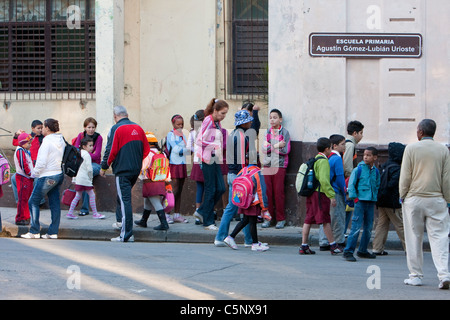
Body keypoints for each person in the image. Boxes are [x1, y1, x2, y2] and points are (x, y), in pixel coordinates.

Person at [399, 119, 450, 289]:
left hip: (414, 199)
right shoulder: (443, 150)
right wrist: (448, 200)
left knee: (414, 237)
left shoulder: (411, 149)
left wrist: (402, 195)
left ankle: (415, 275)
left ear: (420, 131)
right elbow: (447, 179)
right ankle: (444, 275)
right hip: (437, 199)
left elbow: (405, 176)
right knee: (440, 238)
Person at [100, 106, 150, 242]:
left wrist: (104, 167)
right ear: (127, 115)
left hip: (122, 170)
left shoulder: (116, 129)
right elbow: (146, 150)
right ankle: (121, 223)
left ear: (115, 116)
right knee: (122, 197)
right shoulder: (138, 128)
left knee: (125, 201)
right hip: (135, 169)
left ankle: (126, 234)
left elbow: (110, 151)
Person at [215, 110, 255, 247]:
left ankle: (225, 238)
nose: (251, 122)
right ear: (243, 123)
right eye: (249, 120)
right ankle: (245, 240)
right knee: (242, 207)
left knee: (236, 207)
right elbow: (242, 160)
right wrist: (246, 176)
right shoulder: (243, 137)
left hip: (232, 174)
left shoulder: (233, 134)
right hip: (239, 175)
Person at [21, 119, 65, 239]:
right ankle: (52, 232)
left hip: (46, 175)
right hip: (58, 174)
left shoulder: (47, 141)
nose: (43, 129)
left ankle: (34, 230)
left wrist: (34, 173)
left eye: (44, 127)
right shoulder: (61, 139)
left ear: (48, 128)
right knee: (55, 203)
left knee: (33, 201)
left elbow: (41, 162)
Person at [299, 137, 341, 255]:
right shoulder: (323, 161)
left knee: (308, 219)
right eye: (331, 148)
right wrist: (331, 195)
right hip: (320, 194)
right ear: (327, 149)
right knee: (325, 220)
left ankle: (304, 245)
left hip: (311, 194)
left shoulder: (315, 159)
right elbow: (324, 180)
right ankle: (333, 245)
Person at [194, 98, 228, 230]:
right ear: (215, 111)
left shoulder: (217, 122)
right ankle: (208, 222)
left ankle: (202, 211)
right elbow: (199, 140)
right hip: (207, 158)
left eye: (225, 113)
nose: (224, 116)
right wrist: (214, 145)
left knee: (221, 188)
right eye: (222, 113)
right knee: (211, 188)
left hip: (215, 158)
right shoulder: (208, 120)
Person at [343, 147, 380, 262]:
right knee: (356, 227)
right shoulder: (358, 169)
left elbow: (377, 185)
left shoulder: (376, 171)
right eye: (364, 155)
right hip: (360, 202)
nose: (365, 157)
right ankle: (348, 251)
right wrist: (355, 199)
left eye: (368, 155)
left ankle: (362, 250)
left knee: (368, 228)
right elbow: (352, 185)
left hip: (371, 202)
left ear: (375, 157)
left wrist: (375, 197)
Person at [223, 164, 270, 252]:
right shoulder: (257, 172)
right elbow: (261, 191)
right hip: (253, 202)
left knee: (245, 220)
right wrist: (264, 207)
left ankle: (231, 237)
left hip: (244, 200)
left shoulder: (243, 170)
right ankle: (255, 244)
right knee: (252, 222)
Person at [373, 142, 406, 255]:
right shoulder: (397, 168)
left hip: (381, 200)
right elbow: (395, 185)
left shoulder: (384, 165)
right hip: (392, 202)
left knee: (382, 224)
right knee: (401, 225)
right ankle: (410, 250)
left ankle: (377, 248)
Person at [134, 132, 171, 230]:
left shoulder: (147, 154)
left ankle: (164, 224)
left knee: (155, 202)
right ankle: (143, 221)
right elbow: (167, 167)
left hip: (149, 181)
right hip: (159, 181)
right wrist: (167, 180)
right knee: (147, 202)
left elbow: (143, 167)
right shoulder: (161, 153)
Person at [261, 109, 291, 229]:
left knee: (278, 192)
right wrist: (277, 145)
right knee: (267, 193)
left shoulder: (285, 133)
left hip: (279, 165)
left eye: (275, 117)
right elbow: (264, 149)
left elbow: (285, 151)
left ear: (280, 119)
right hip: (268, 165)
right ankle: (268, 218)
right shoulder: (267, 132)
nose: (272, 120)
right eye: (270, 117)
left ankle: (280, 219)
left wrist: (271, 147)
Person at [318, 134, 347, 250]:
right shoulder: (337, 158)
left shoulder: (325, 158)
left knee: (325, 217)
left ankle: (323, 241)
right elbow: (340, 177)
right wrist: (345, 190)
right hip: (335, 191)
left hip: (324, 191)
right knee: (338, 217)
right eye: (343, 144)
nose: (345, 147)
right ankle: (339, 240)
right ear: (334, 146)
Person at [66, 137, 105, 220]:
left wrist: (74, 179)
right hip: (85, 179)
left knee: (77, 196)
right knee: (92, 195)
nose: (92, 147)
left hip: (78, 179)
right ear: (84, 146)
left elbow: (75, 167)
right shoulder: (87, 155)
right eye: (90, 146)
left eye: (92, 145)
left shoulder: (78, 154)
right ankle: (95, 213)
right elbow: (90, 169)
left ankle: (70, 212)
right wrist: (90, 179)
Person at [73, 117, 103, 217]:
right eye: (89, 127)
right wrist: (88, 153)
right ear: (85, 127)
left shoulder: (99, 138)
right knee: (84, 179)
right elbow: (76, 151)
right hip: (82, 164)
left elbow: (97, 155)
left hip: (95, 165)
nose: (91, 129)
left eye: (93, 127)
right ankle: (83, 209)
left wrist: (84, 153)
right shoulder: (80, 136)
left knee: (85, 176)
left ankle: (84, 209)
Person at [11, 120, 44, 203]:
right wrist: (17, 135)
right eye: (38, 128)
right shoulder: (29, 138)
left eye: (41, 128)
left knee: (36, 180)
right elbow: (15, 143)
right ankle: (20, 201)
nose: (40, 130)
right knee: (13, 178)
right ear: (32, 129)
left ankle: (38, 201)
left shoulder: (44, 139)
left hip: (39, 166)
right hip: (29, 166)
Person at [343, 120, 364, 235]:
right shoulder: (350, 145)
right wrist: (351, 180)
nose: (362, 136)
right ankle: (342, 233)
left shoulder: (348, 144)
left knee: (347, 209)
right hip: (347, 182)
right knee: (347, 209)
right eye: (361, 133)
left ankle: (342, 232)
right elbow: (347, 166)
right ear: (355, 133)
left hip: (346, 181)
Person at [166, 115, 189, 223]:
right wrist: (187, 150)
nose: (180, 126)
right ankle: (166, 213)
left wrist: (187, 150)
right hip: (174, 164)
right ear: (173, 124)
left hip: (182, 163)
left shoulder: (183, 135)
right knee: (173, 189)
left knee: (180, 189)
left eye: (182, 124)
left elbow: (187, 148)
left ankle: (177, 214)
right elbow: (176, 150)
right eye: (178, 124)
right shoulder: (171, 135)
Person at [187, 110, 205, 225]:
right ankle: (207, 211)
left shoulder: (192, 132)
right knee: (209, 188)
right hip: (207, 162)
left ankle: (198, 212)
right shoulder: (208, 131)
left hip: (197, 162)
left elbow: (189, 148)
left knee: (199, 188)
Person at [14, 133, 34, 225]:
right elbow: (23, 164)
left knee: (27, 198)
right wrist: (30, 173)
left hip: (28, 178)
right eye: (28, 143)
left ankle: (26, 216)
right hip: (23, 177)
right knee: (23, 198)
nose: (30, 145)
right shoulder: (20, 151)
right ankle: (20, 218)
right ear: (22, 143)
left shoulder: (25, 151)